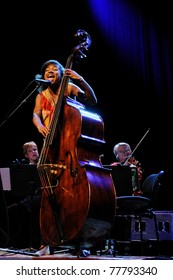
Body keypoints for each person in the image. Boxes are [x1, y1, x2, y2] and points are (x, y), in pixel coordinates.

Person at [32, 59, 97, 137]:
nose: (50, 71)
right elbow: (36, 114)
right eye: (47, 70)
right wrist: (40, 126)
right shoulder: (40, 96)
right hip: (50, 139)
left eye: (55, 69)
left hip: (69, 135)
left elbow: (92, 101)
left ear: (62, 75)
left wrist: (81, 80)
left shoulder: (69, 88)